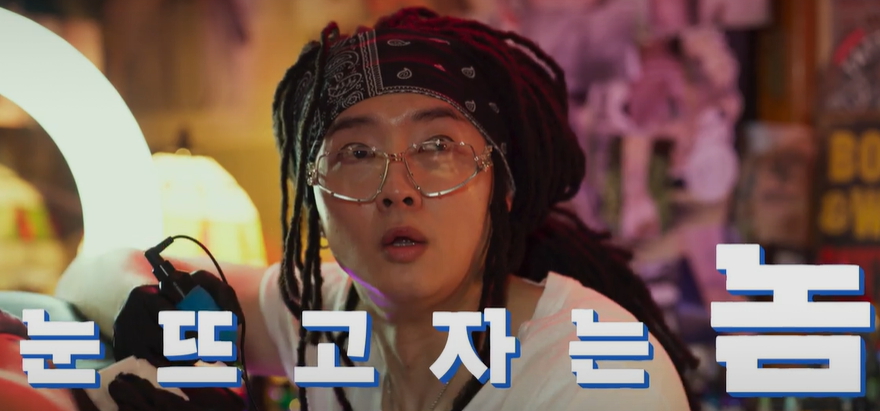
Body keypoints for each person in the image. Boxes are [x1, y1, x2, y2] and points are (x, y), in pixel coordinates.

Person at [55, 7, 698, 411]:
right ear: (313, 197)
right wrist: (154, 311)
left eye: (437, 147)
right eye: (357, 153)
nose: (397, 188)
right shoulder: (323, 314)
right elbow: (92, 272)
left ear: (500, 186)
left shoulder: (596, 372)